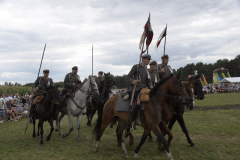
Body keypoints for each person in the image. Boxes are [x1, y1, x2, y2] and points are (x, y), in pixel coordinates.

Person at [126, 54, 153, 129]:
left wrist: (151, 86)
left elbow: (149, 80)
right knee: (137, 104)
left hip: (144, 89)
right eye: (148, 59)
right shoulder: (136, 67)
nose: (149, 61)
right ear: (143, 59)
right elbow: (128, 77)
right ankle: (132, 122)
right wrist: (132, 81)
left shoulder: (146, 70)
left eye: (149, 59)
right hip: (136, 88)